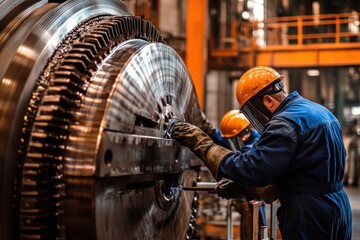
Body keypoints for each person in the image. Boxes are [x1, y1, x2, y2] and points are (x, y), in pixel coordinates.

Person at [170, 66, 352, 239]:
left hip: (309, 212)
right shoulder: (320, 112)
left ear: (268, 101)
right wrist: (254, 189)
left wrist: (205, 146)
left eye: (253, 112)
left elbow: (251, 168)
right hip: (338, 206)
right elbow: (310, 167)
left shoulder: (285, 122)